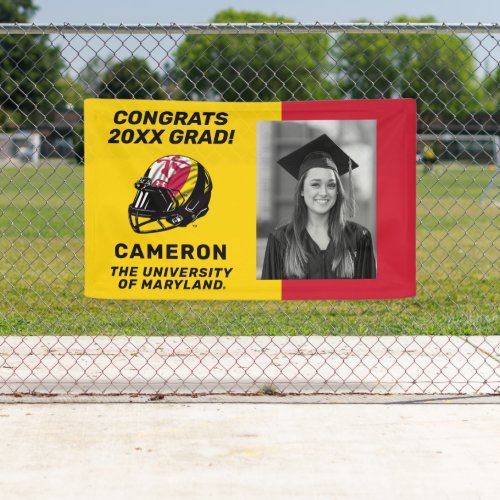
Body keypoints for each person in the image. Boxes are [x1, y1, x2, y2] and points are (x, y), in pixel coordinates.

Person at [261, 134, 376, 280]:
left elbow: (370, 299)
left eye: (331, 185)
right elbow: (271, 300)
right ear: (302, 190)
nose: (324, 192)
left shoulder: (359, 238)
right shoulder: (281, 240)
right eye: (315, 184)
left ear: (338, 190)